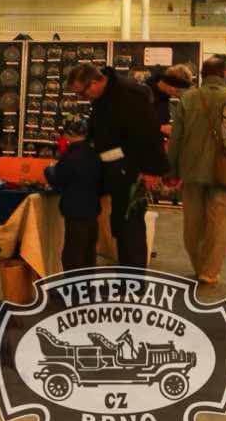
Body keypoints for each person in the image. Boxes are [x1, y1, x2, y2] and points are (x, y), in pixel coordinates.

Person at [66, 62, 166, 269]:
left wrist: (151, 171)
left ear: (95, 82)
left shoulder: (130, 94)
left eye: (83, 93)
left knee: (130, 226)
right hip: (113, 169)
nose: (83, 98)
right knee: (121, 225)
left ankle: (133, 281)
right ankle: (124, 273)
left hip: (133, 171)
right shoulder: (104, 96)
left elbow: (149, 133)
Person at [169, 55, 226, 285]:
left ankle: (198, 265)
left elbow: (176, 138)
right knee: (220, 223)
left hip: (191, 170)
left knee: (193, 223)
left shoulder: (188, 98)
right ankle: (209, 271)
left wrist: (171, 169)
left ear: (202, 73)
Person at [45, 116, 103, 270]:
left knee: (73, 254)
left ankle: (73, 285)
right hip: (93, 211)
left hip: (75, 212)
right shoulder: (94, 153)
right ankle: (86, 284)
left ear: (68, 134)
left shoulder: (70, 156)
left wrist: (49, 170)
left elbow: (57, 179)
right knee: (89, 253)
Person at [147, 64, 194, 134]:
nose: (178, 96)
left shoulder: (164, 97)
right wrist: (160, 128)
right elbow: (135, 123)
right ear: (172, 86)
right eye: (178, 91)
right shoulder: (144, 94)